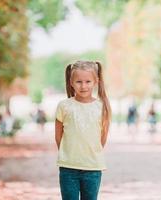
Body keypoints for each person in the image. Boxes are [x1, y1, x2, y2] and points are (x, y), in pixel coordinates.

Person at [55, 61, 111, 200]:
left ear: (96, 81)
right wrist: (69, 155)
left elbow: (102, 138)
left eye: (88, 81)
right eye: (79, 81)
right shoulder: (64, 106)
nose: (83, 86)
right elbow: (58, 137)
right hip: (68, 168)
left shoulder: (101, 107)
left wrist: (90, 154)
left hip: (93, 168)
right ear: (71, 82)